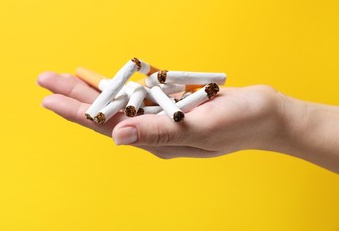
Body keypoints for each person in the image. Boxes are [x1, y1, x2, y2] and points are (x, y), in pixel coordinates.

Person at [37, 71, 339, 173]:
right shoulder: (144, 92)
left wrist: (278, 119)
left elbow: (156, 84)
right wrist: (280, 118)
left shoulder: (152, 90)